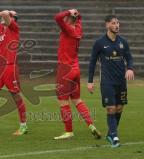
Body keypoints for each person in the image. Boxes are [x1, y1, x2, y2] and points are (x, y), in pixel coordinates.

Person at [53, 9, 101, 140]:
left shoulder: (67, 29)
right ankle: (90, 125)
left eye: (66, 18)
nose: (64, 19)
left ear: (69, 19)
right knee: (77, 99)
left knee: (63, 101)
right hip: (75, 69)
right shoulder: (78, 29)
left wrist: (69, 11)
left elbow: (57, 17)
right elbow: (79, 18)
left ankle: (68, 131)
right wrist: (76, 14)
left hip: (65, 70)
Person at [88, 15, 134, 147]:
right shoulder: (99, 43)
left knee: (119, 108)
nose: (117, 25)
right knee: (111, 108)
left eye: (118, 23)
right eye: (113, 23)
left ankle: (110, 133)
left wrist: (130, 68)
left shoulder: (123, 42)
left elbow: (129, 58)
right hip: (107, 81)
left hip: (121, 81)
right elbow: (92, 63)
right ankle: (114, 136)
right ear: (107, 25)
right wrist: (90, 81)